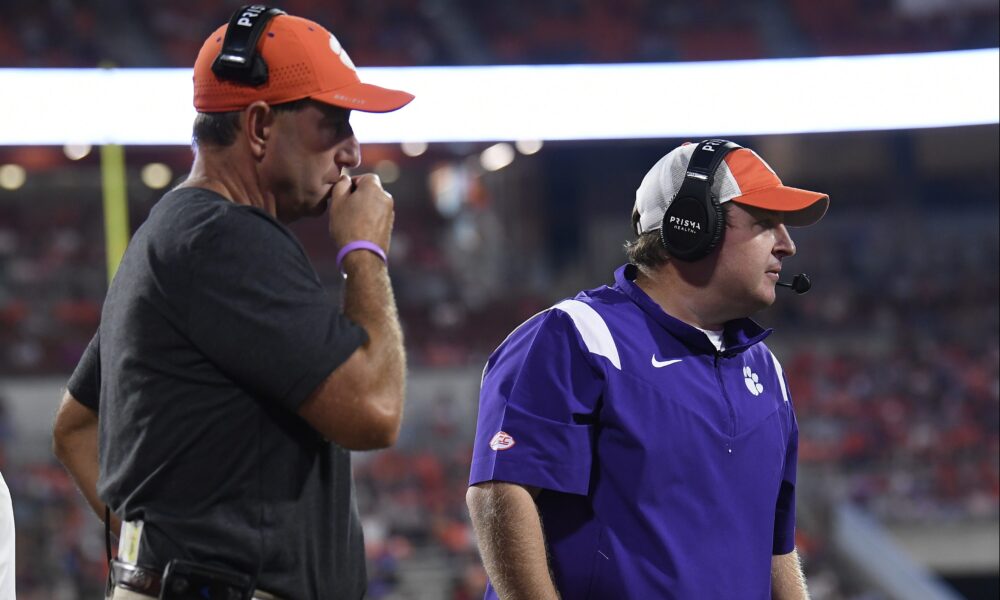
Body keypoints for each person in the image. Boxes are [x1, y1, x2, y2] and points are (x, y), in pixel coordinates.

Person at [51, 7, 412, 600]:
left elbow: (75, 425)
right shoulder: (227, 237)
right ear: (261, 125)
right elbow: (375, 410)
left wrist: (153, 564)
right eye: (333, 123)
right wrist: (364, 250)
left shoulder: (174, 230)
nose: (352, 152)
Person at [467, 139, 830, 599]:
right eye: (764, 223)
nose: (787, 245)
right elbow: (500, 493)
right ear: (692, 226)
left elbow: (776, 549)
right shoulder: (579, 336)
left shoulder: (766, 371)